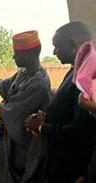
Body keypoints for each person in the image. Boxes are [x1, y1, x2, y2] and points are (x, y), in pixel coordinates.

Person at [25, 21, 96, 183]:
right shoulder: (75, 70)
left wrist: (42, 127)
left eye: (57, 46)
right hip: (63, 161)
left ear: (72, 45)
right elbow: (68, 111)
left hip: (73, 166)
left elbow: (80, 130)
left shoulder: (85, 79)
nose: (54, 51)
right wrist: (48, 117)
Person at [0, 30, 51, 183]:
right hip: (6, 140)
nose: (13, 57)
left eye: (16, 53)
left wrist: (2, 104)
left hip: (18, 146)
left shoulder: (38, 83)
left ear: (29, 55)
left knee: (11, 176)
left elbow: (12, 111)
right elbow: (6, 84)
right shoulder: (23, 73)